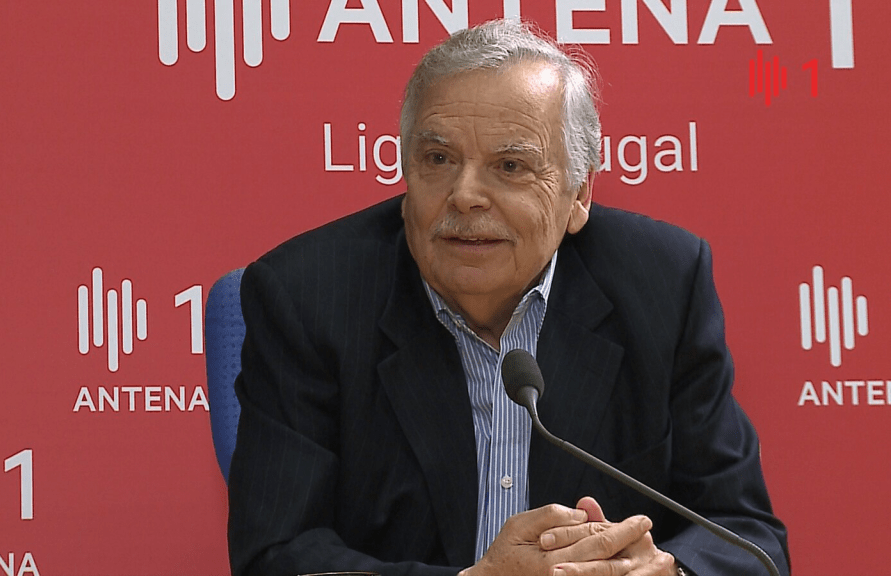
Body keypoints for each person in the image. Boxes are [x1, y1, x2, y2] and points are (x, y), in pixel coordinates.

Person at [223, 19, 789, 576]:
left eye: (510, 166)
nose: (465, 195)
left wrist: (670, 572)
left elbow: (747, 537)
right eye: (438, 159)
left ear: (579, 195)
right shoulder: (309, 297)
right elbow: (275, 555)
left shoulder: (663, 283)